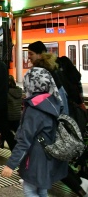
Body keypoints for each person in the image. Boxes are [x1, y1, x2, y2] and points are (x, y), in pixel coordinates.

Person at [28, 41, 87, 197]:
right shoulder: (55, 70)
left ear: (40, 54)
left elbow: (44, 100)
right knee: (55, 159)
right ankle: (77, 187)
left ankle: (78, 186)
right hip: (57, 121)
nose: (29, 59)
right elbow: (66, 92)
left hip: (49, 124)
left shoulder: (43, 74)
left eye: (31, 54)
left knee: (51, 160)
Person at [1, 66, 68, 197]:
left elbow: (24, 140)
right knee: (41, 190)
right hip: (48, 156)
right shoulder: (53, 101)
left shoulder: (35, 108)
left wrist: (11, 165)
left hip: (35, 159)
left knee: (29, 190)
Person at [0, 75, 23, 149]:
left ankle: (2, 141)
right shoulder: (19, 92)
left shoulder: (5, 93)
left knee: (5, 130)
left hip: (8, 116)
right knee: (16, 131)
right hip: (17, 116)